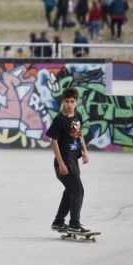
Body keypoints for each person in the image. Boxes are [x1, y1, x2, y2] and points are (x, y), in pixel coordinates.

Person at [48, 87, 91, 234]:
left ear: (76, 102)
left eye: (72, 102)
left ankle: (59, 222)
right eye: (67, 102)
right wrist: (61, 163)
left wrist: (85, 151)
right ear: (63, 102)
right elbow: (54, 142)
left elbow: (79, 135)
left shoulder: (77, 116)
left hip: (74, 159)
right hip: (64, 160)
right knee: (78, 190)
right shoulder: (59, 120)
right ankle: (74, 224)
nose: (69, 105)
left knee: (71, 191)